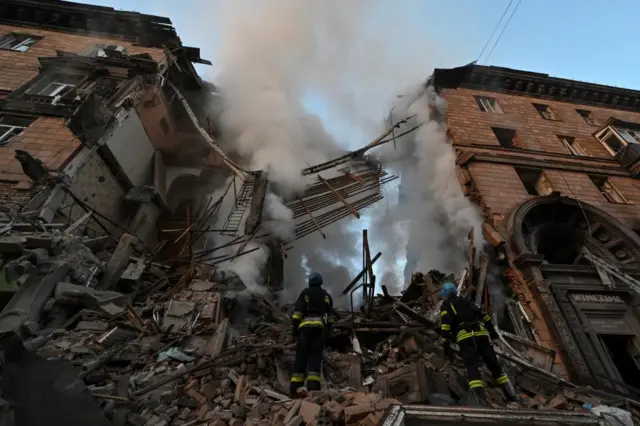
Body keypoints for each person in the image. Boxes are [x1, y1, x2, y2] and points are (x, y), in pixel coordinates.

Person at [439, 282, 519, 402]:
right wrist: (492, 332)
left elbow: (445, 325)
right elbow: (484, 316)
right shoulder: (467, 301)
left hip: (465, 337)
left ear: (444, 294)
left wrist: (445, 342)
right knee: (493, 365)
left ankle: (479, 399)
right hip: (481, 335)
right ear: (455, 291)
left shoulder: (446, 305)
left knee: (472, 367)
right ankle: (512, 394)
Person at [289, 272, 335, 396]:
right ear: (320, 282)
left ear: (310, 281)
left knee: (301, 356)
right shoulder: (325, 295)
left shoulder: (305, 294)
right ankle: (313, 386)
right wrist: (329, 332)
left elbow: (297, 313)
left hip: (304, 330)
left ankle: (295, 387)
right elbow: (330, 317)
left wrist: (294, 330)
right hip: (319, 329)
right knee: (315, 356)